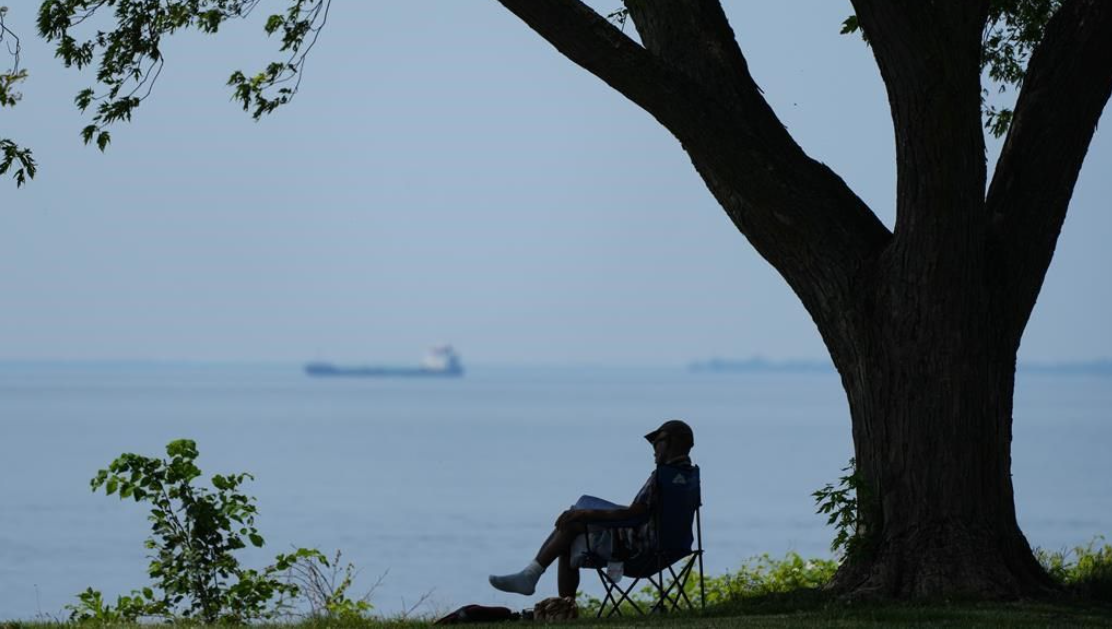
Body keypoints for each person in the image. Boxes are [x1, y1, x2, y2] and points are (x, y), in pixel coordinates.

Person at [488, 419, 696, 598]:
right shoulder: (689, 478)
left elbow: (634, 515)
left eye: (657, 442)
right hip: (671, 549)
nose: (653, 449)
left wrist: (586, 513)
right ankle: (533, 578)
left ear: (671, 443)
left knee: (571, 526)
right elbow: (646, 513)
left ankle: (538, 582)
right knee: (576, 516)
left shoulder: (661, 477)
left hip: (637, 551)